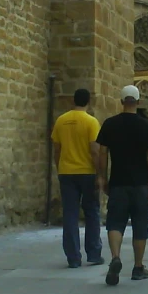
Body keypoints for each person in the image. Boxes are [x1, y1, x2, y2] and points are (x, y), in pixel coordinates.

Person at [97, 85, 148, 286]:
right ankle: (138, 267)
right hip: (140, 182)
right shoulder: (146, 125)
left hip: (118, 181)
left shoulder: (110, 124)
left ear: (122, 101)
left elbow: (102, 153)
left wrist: (102, 177)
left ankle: (115, 257)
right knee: (140, 224)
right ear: (138, 102)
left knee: (115, 222)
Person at [51, 89, 103, 268]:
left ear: (73, 100)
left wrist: (60, 168)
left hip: (67, 172)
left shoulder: (61, 121)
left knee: (70, 214)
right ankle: (94, 253)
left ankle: (73, 257)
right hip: (87, 172)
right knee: (92, 213)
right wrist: (100, 174)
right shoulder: (91, 122)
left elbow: (56, 149)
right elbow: (95, 150)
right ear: (88, 101)